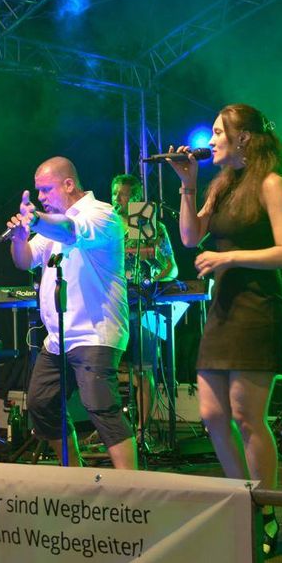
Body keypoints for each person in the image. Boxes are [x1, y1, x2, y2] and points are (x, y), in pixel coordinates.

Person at [168, 104, 282, 557]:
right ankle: (241, 499)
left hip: (258, 308)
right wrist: (188, 184)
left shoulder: (271, 183)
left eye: (219, 131)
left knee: (247, 415)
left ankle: (266, 511)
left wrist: (229, 258)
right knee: (211, 414)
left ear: (244, 138)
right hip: (224, 309)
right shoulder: (221, 185)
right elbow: (190, 237)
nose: (211, 139)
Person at [6, 157, 137, 469]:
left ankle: (132, 489)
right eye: (37, 192)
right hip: (59, 338)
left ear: (68, 184)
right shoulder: (52, 223)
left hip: (95, 332)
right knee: (41, 402)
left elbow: (72, 232)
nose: (41, 197)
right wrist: (20, 238)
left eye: (46, 189)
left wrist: (35, 220)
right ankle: (75, 472)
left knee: (101, 407)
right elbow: (25, 261)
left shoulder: (101, 214)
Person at [111, 173, 179, 443]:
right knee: (109, 369)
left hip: (142, 307)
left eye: (122, 194)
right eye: (114, 193)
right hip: (114, 306)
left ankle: (142, 430)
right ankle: (115, 430)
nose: (116, 198)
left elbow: (171, 268)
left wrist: (152, 280)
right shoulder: (108, 226)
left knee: (143, 370)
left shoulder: (151, 227)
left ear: (136, 198)